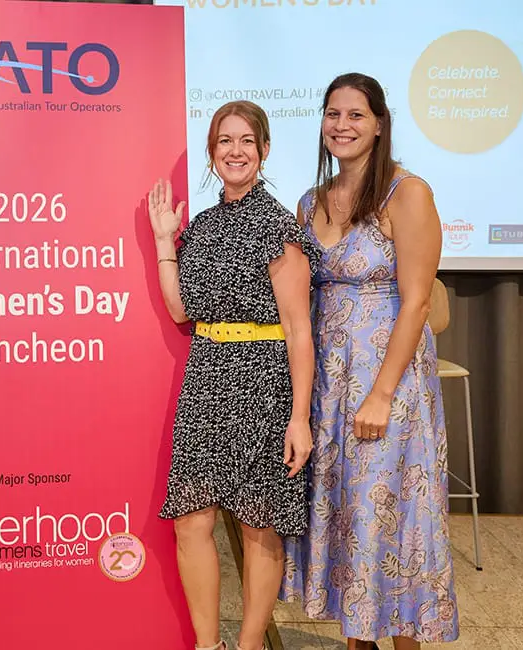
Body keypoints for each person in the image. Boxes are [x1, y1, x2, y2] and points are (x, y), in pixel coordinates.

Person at [279, 72, 460, 650]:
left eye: (356, 115)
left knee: (391, 516)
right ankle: (360, 640)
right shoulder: (311, 200)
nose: (342, 125)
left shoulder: (407, 193)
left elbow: (418, 302)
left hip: (390, 382)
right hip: (330, 383)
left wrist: (381, 393)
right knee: (353, 517)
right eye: (333, 114)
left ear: (379, 124)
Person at [149, 100, 320, 650]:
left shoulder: (280, 228)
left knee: (257, 524)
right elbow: (182, 311)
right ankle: (207, 645)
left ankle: (248, 646)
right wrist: (162, 240)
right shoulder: (201, 225)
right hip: (206, 378)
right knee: (190, 519)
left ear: (265, 151)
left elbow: (299, 331)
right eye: (225, 141)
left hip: (264, 383)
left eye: (247, 141)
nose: (236, 150)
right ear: (212, 152)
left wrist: (299, 418)